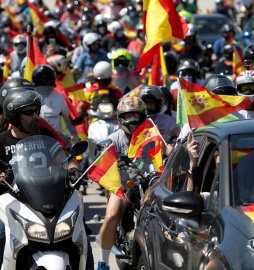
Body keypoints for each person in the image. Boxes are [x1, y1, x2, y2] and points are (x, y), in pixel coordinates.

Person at [0, 86, 94, 270]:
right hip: (11, 201)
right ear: (13, 116)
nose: (35, 117)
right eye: (29, 113)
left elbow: (65, 157)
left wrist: (74, 170)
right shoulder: (2, 141)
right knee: (1, 234)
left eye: (37, 111)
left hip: (47, 197)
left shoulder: (46, 135)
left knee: (79, 234)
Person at [96, 96, 148, 270]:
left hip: (149, 185)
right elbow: (100, 162)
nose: (132, 120)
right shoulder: (113, 140)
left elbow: (165, 153)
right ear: (120, 119)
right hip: (122, 188)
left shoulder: (151, 136)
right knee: (112, 216)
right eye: (128, 116)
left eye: (136, 116)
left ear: (144, 117)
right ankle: (103, 262)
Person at [31, 64, 79, 144]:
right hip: (36, 140)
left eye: (46, 81)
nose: (44, 85)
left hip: (56, 140)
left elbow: (68, 121)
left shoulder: (59, 98)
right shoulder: (30, 99)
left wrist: (74, 134)